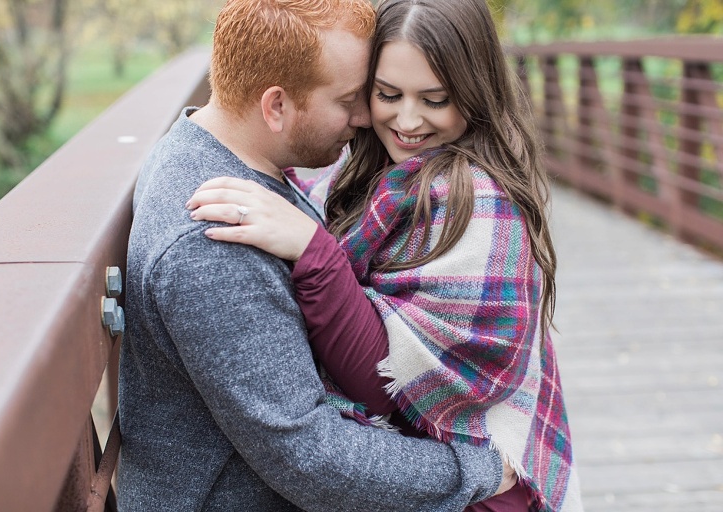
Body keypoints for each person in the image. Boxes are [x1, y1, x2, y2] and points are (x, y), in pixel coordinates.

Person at [185, 0, 583, 511]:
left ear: (474, 93)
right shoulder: (371, 181)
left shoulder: (477, 202)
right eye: (387, 94)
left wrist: (313, 250)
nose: (408, 120)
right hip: (431, 476)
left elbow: (390, 385)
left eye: (435, 100)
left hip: (479, 491)